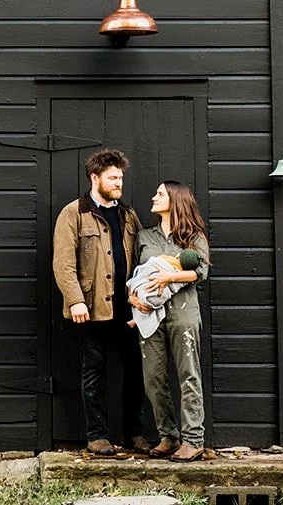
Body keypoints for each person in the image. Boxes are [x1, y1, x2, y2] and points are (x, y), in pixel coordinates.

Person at [52, 148, 155, 456]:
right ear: (94, 178)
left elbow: (139, 257)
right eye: (112, 177)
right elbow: (63, 262)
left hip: (128, 306)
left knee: (136, 370)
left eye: (121, 177)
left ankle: (134, 433)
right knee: (93, 370)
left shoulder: (128, 214)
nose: (118, 182)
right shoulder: (74, 214)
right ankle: (97, 436)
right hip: (92, 307)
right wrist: (75, 300)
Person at [131, 180, 212, 462]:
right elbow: (135, 273)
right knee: (153, 377)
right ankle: (168, 436)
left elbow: (200, 272)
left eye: (160, 194)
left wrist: (170, 277)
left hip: (183, 312)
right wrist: (132, 297)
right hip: (149, 315)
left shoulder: (193, 236)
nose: (154, 197)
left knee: (188, 375)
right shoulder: (144, 236)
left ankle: (194, 439)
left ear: (175, 200)